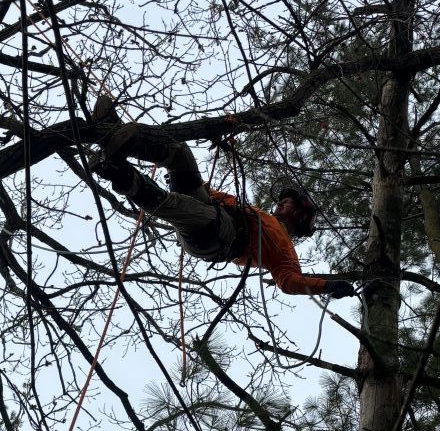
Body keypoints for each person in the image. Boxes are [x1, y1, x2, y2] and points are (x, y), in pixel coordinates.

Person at [89, 96, 355, 300]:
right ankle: (116, 136)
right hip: (213, 209)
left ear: (301, 215)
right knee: (180, 154)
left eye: (291, 201)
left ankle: (121, 175)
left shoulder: (285, 250)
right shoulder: (258, 214)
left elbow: (288, 282)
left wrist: (326, 286)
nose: (283, 202)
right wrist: (190, 180)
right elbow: (220, 199)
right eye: (285, 199)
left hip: (221, 239)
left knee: (182, 206)